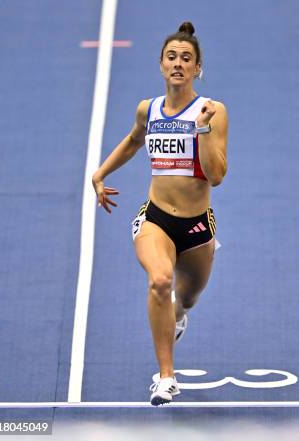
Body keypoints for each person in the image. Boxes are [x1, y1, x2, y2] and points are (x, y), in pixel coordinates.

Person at [92, 21, 228, 406]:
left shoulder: (212, 111)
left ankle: (179, 314)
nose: (178, 64)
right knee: (159, 281)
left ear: (198, 67)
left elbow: (216, 177)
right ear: (161, 64)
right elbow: (135, 140)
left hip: (199, 226)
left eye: (187, 58)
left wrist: (200, 130)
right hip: (155, 219)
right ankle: (166, 377)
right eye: (172, 57)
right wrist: (100, 174)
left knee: (187, 298)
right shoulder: (147, 109)